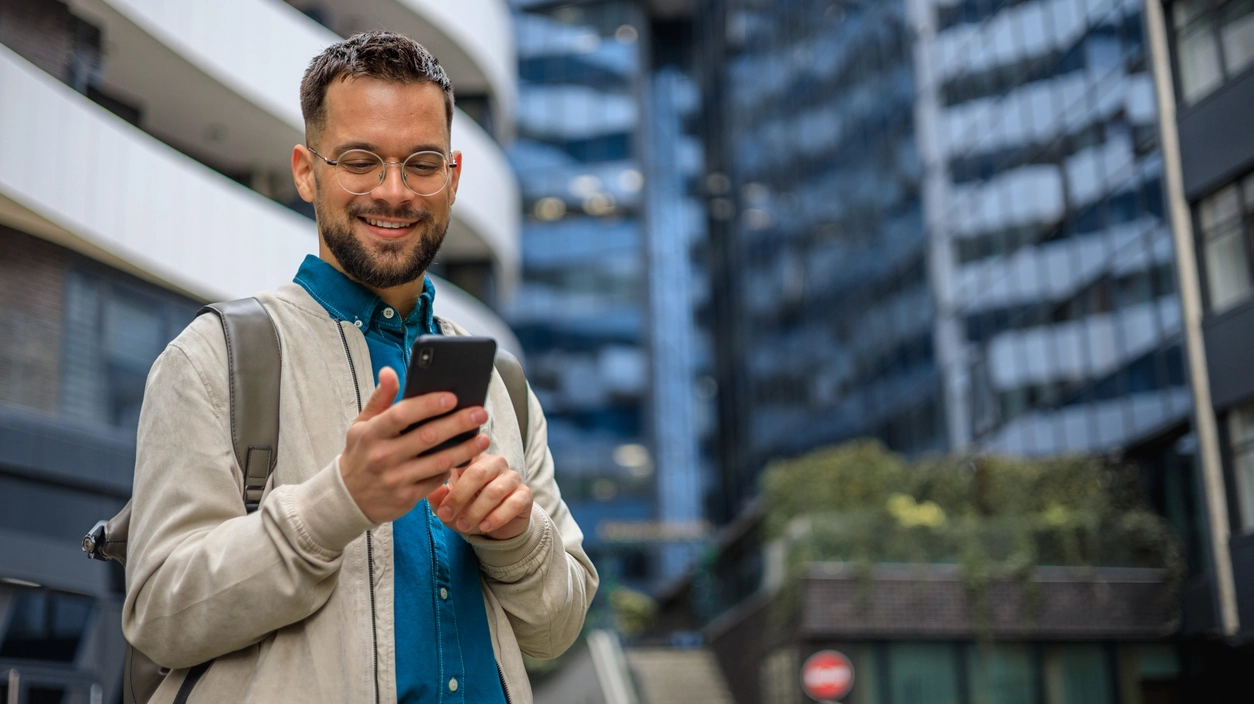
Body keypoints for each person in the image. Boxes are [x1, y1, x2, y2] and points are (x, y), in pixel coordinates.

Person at [122, 31, 596, 704]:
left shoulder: (503, 387)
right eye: (360, 160)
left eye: (422, 164)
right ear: (307, 170)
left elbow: (556, 629)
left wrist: (515, 536)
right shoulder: (212, 359)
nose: (394, 191)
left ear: (454, 178)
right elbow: (158, 617)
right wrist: (339, 501)